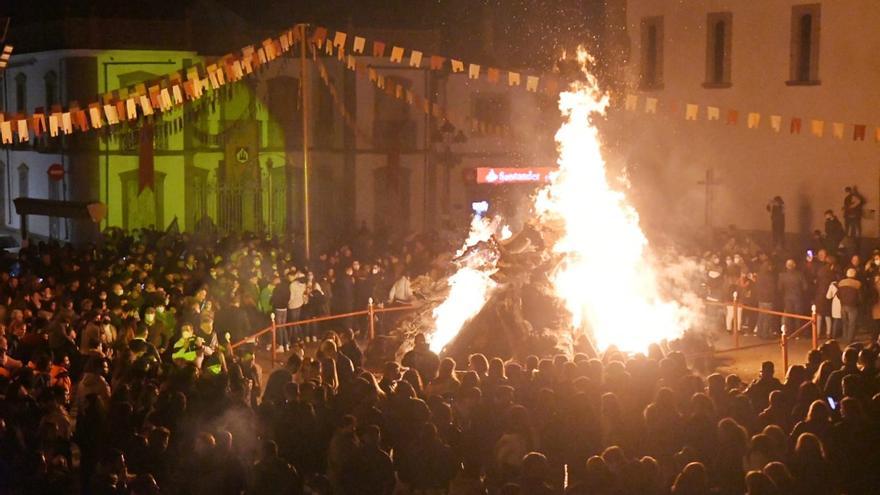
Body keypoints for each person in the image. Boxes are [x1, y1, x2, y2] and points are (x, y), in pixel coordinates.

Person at [777, 259, 807, 333]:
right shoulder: (800, 274)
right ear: (794, 265)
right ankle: (798, 332)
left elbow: (779, 288)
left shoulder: (782, 276)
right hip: (798, 297)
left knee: (789, 315)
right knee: (798, 316)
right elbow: (805, 287)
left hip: (787, 298)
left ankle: (790, 332)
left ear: (786, 266)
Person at [836, 268, 862, 342]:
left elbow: (838, 294)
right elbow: (860, 297)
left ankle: (845, 337)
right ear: (855, 275)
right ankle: (850, 339)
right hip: (853, 305)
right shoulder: (857, 284)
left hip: (843, 305)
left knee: (844, 322)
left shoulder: (841, 282)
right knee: (852, 323)